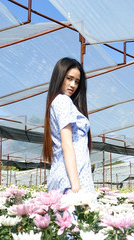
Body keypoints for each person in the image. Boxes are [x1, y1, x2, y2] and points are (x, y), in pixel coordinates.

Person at [42, 57, 95, 194]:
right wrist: (76, 185)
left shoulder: (62, 103)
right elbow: (67, 143)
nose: (73, 85)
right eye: (69, 79)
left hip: (70, 173)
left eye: (77, 81)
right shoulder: (62, 101)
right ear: (59, 77)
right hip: (71, 177)